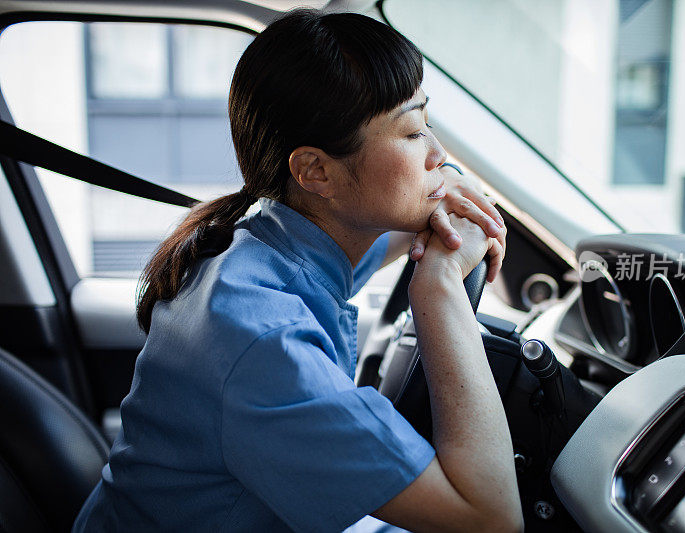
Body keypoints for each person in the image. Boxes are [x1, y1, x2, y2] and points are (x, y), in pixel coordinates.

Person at [73, 9, 522, 533]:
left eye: (429, 123)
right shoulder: (267, 343)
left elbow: (410, 217)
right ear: (314, 171)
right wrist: (440, 289)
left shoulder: (273, 243)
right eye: (411, 132)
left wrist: (449, 190)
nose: (438, 153)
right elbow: (489, 517)